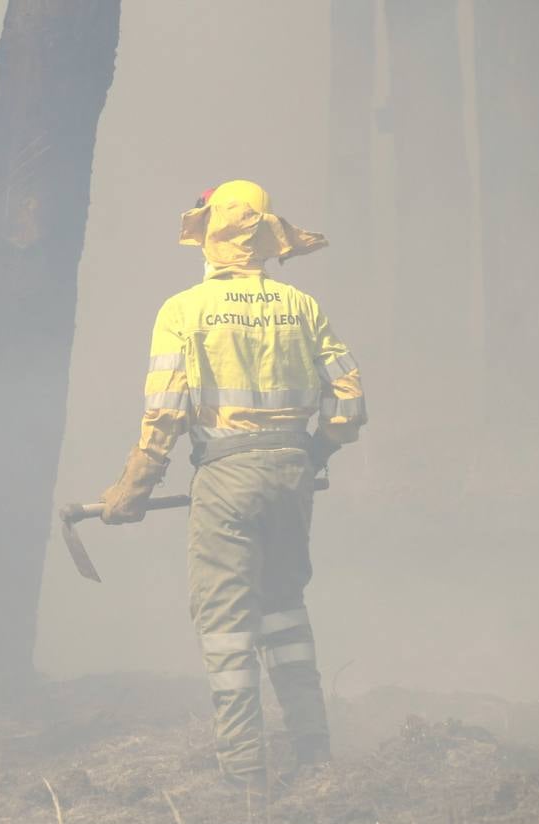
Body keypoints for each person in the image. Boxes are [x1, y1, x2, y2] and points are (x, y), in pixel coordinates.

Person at [99, 180, 367, 790]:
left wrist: (134, 487)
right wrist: (311, 453)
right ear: (268, 238)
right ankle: (313, 752)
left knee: (225, 624)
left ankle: (244, 773)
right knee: (283, 609)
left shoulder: (182, 311)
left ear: (210, 234)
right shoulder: (302, 306)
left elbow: (165, 411)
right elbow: (350, 405)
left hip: (224, 479)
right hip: (291, 477)